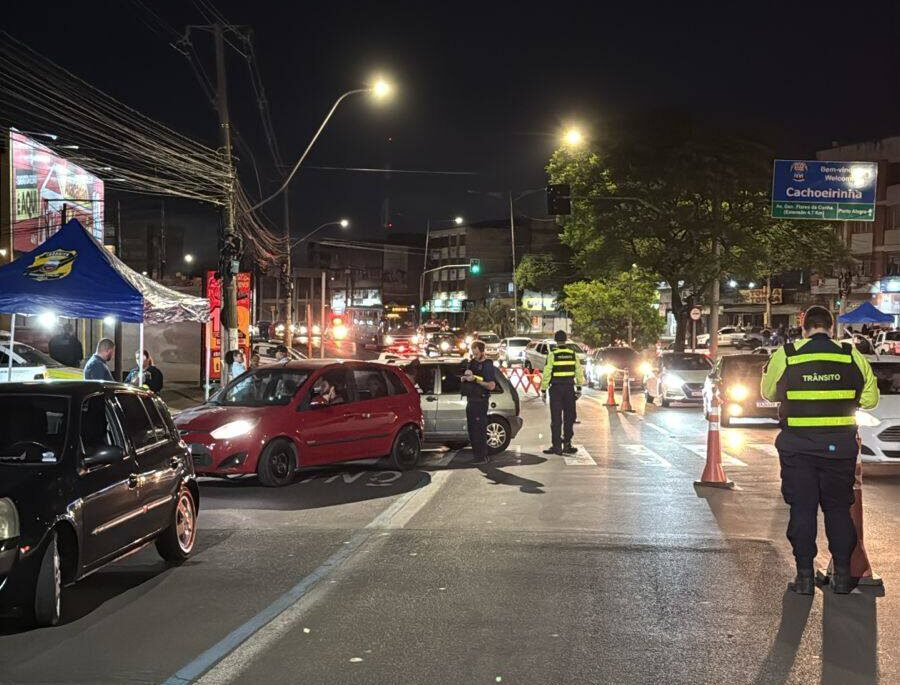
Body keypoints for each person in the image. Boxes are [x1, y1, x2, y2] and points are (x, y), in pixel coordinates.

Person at [761, 305, 879, 595]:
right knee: (838, 509)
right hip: (839, 448)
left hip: (798, 448)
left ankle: (803, 578)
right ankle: (840, 576)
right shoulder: (851, 355)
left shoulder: (786, 355)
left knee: (802, 510)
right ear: (831, 327)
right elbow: (872, 398)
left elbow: (768, 392)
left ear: (804, 327)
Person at [541, 330, 584, 455]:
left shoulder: (552, 354)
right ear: (565, 340)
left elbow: (547, 372)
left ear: (556, 340)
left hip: (556, 389)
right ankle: (567, 443)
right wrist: (579, 387)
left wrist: (543, 390)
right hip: (569, 388)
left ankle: (556, 446)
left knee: (556, 418)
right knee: (569, 417)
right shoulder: (572, 354)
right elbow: (579, 371)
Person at [461, 340, 497, 464]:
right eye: (473, 353)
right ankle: (477, 456)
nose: (475, 356)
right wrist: (465, 377)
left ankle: (482, 457)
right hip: (471, 401)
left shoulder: (488, 364)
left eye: (477, 353)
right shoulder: (472, 363)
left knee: (479, 430)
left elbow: (491, 385)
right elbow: (468, 377)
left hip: (481, 402)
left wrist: (475, 379)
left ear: (482, 352)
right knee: (472, 431)